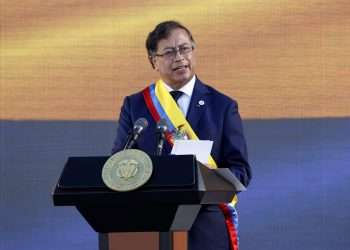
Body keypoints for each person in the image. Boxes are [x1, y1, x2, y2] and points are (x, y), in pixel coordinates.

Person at [112, 20, 252, 250]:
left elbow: (241, 171)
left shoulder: (222, 106)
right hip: (149, 226)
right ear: (153, 61)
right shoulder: (136, 105)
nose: (179, 57)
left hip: (206, 229)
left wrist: (205, 181)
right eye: (169, 52)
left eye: (185, 48)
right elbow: (121, 162)